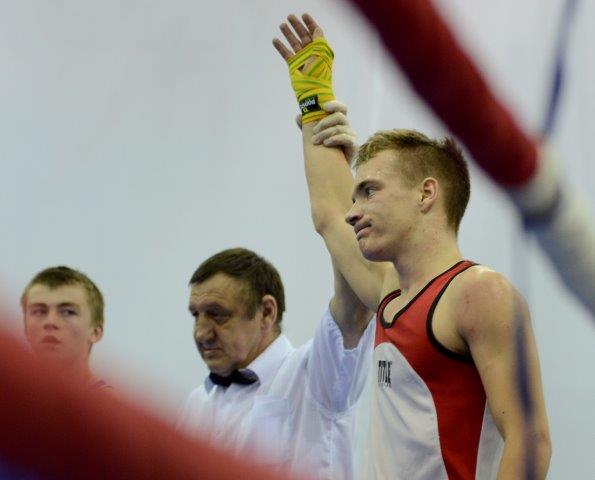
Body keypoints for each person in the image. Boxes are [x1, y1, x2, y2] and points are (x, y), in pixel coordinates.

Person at [273, 14, 551, 479]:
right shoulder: (389, 296)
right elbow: (328, 216)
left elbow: (530, 438)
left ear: (426, 194)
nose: (353, 212)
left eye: (370, 192)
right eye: (355, 195)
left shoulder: (478, 294)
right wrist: (314, 101)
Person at [177, 247, 373, 479]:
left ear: (267, 313)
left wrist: (332, 226)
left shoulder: (315, 375)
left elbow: (355, 306)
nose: (201, 333)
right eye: (196, 315)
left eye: (217, 314)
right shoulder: (197, 403)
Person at [21, 265, 107, 388]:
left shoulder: (105, 400)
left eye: (68, 312)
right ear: (25, 327)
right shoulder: (8, 396)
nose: (50, 322)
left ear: (96, 332)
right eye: (39, 311)